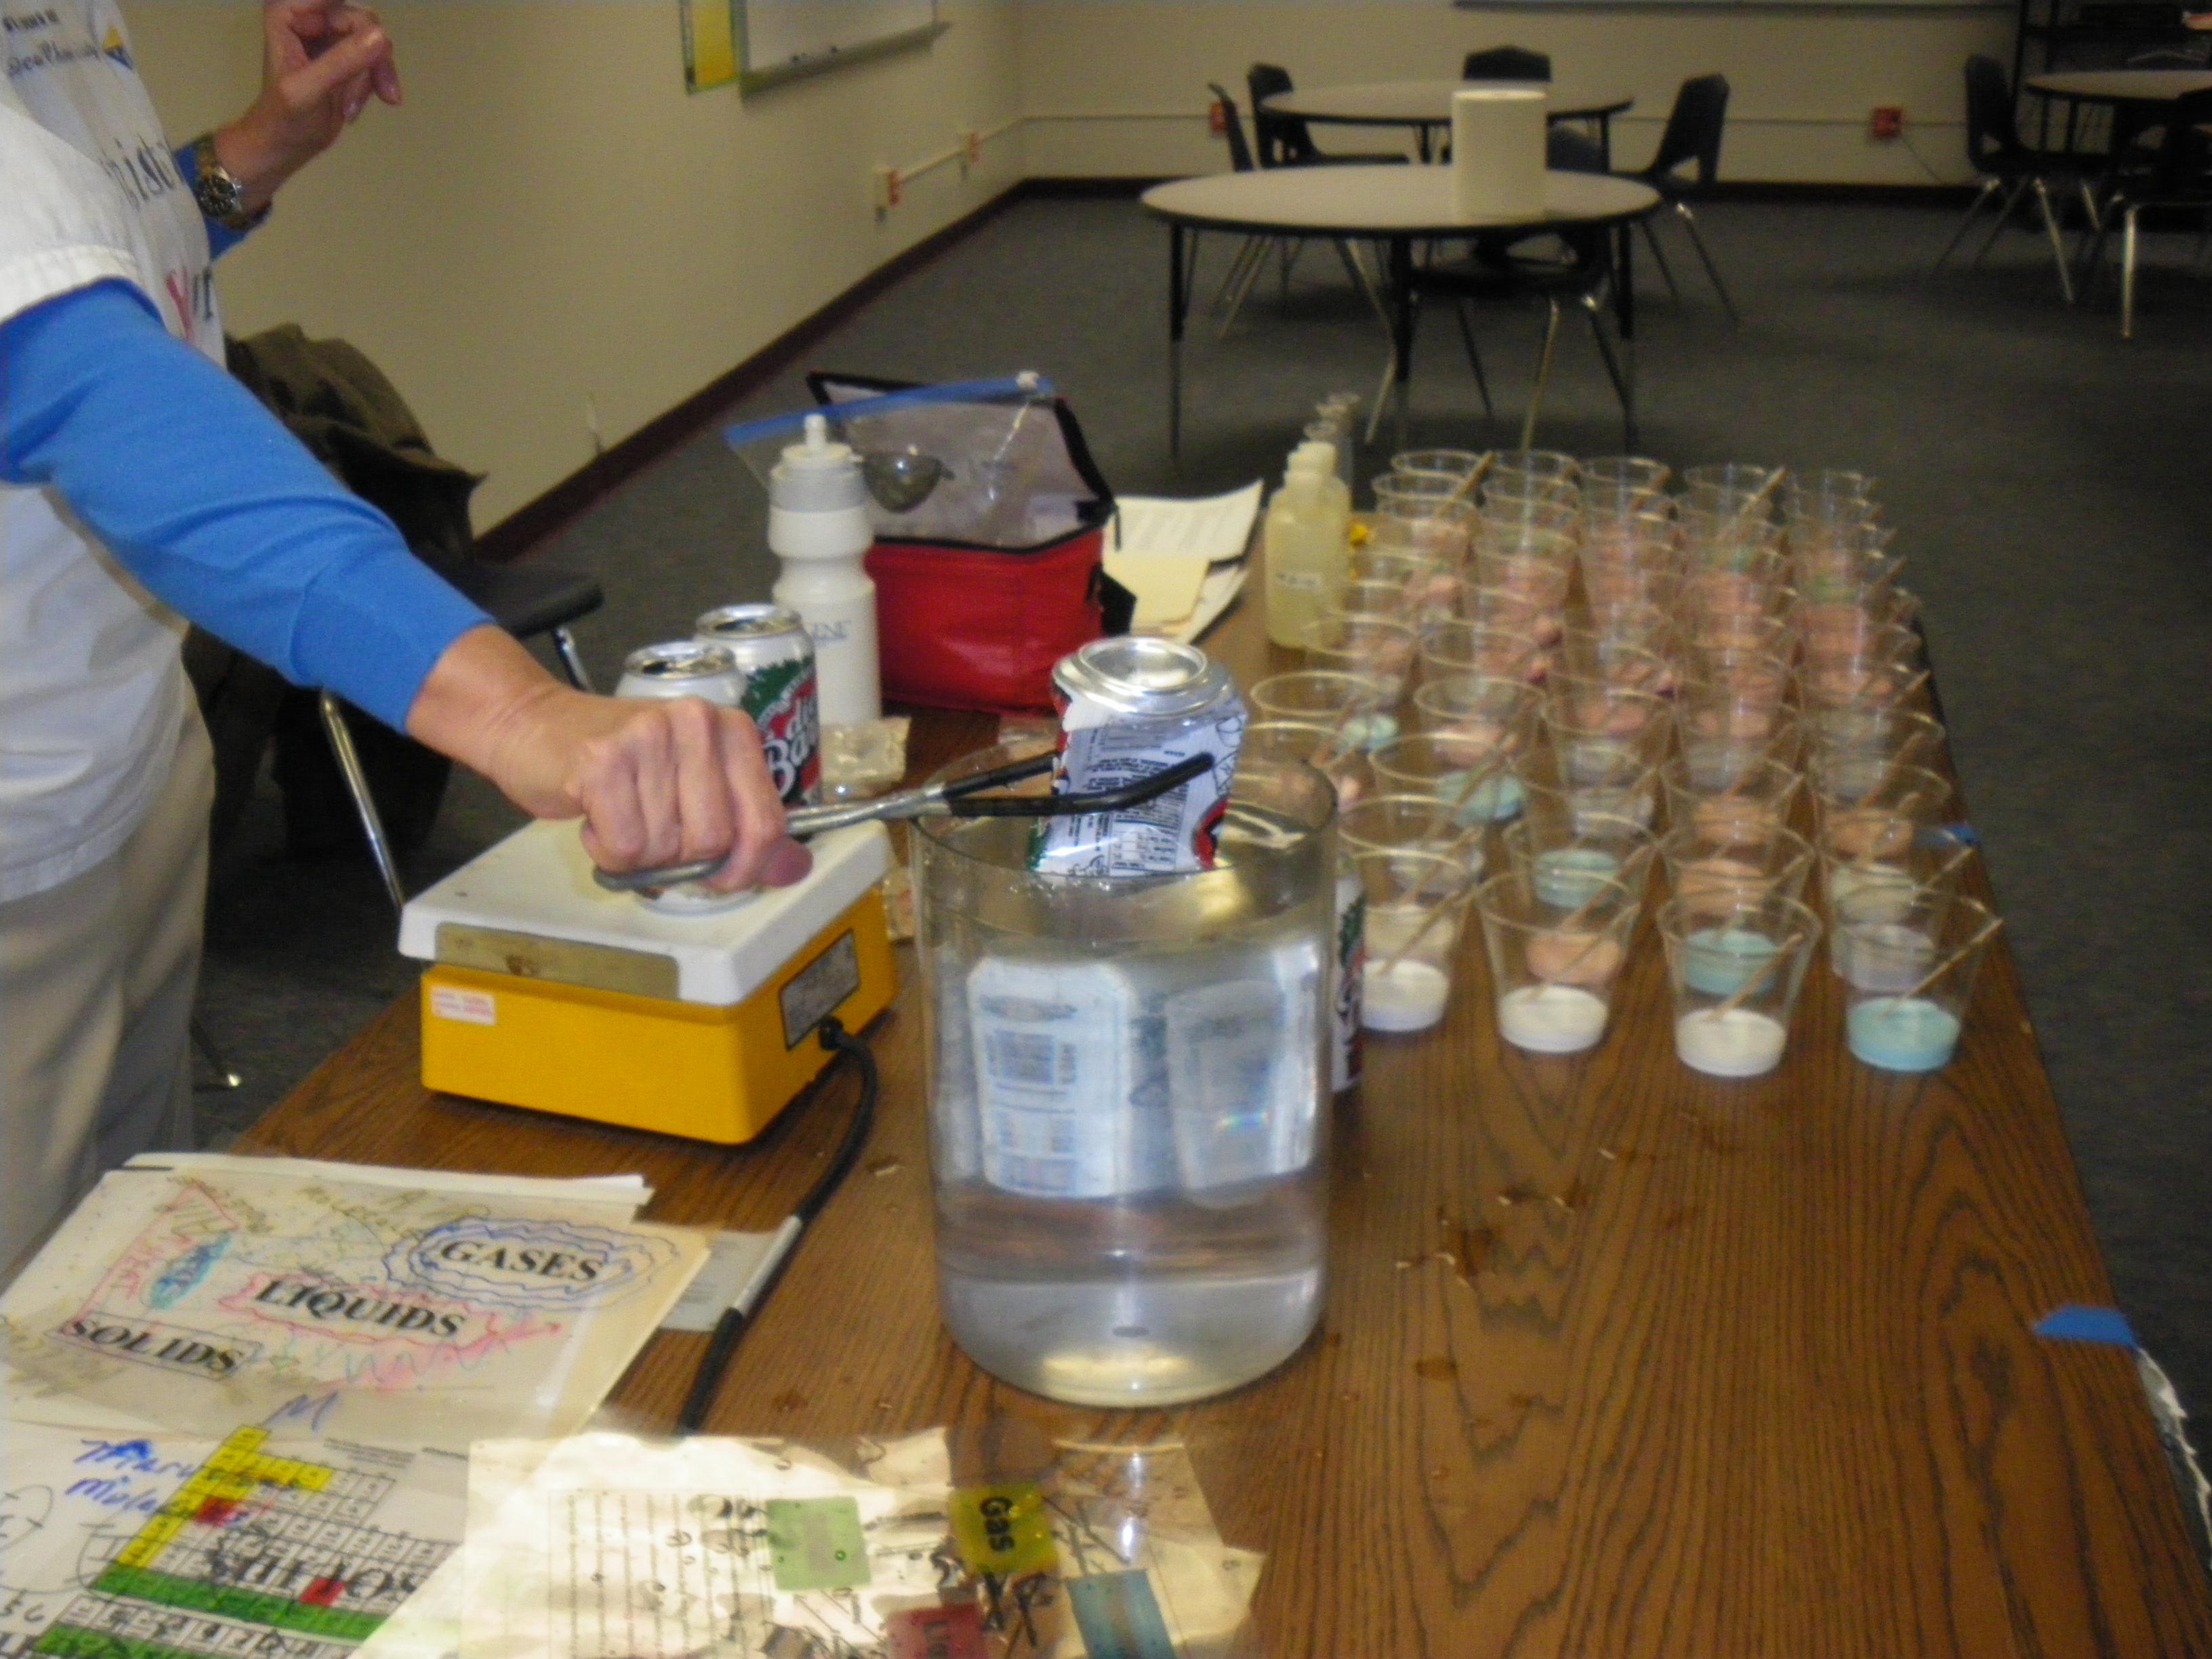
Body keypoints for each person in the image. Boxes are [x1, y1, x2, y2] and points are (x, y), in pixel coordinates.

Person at [0, 0, 807, 1276]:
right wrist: (522, 714)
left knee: (117, 1265)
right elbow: (86, 386)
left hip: (120, 742)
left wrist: (253, 152)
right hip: (15, 827)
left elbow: (92, 241)